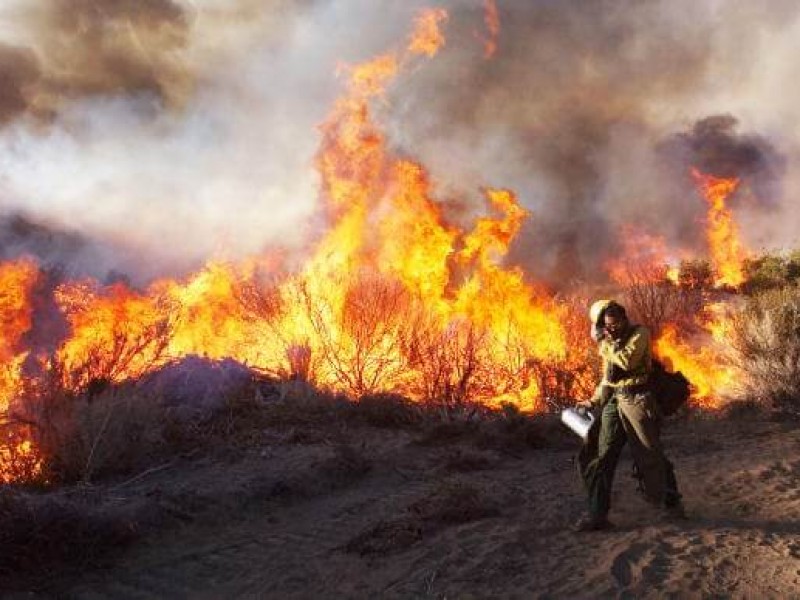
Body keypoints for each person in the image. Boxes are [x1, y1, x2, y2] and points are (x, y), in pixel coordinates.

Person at [574, 300, 683, 532]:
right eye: (608, 325)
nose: (614, 328)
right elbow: (608, 378)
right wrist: (592, 401)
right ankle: (597, 515)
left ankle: (672, 504)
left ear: (624, 319)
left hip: (638, 399)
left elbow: (626, 360)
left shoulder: (639, 334)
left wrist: (603, 342)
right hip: (615, 400)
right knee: (601, 457)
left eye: (617, 323)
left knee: (650, 454)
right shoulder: (609, 342)